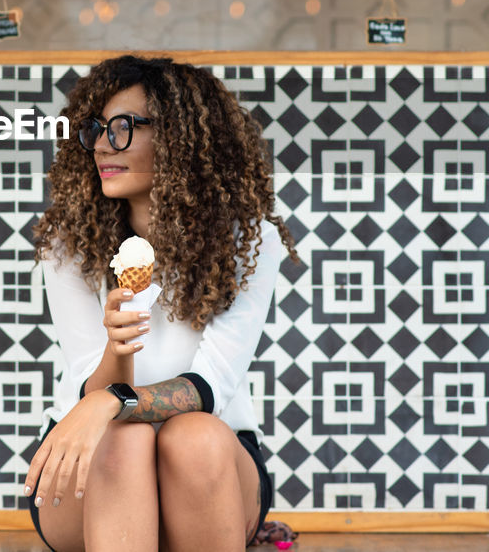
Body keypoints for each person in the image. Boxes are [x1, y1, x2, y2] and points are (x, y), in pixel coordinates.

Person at [24, 54, 299, 552]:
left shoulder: (250, 242)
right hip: (92, 469)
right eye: (96, 129)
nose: (103, 144)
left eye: (124, 127)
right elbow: (94, 385)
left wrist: (114, 402)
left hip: (210, 464)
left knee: (193, 434)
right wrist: (118, 349)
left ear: (177, 139)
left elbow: (212, 384)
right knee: (121, 438)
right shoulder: (68, 245)